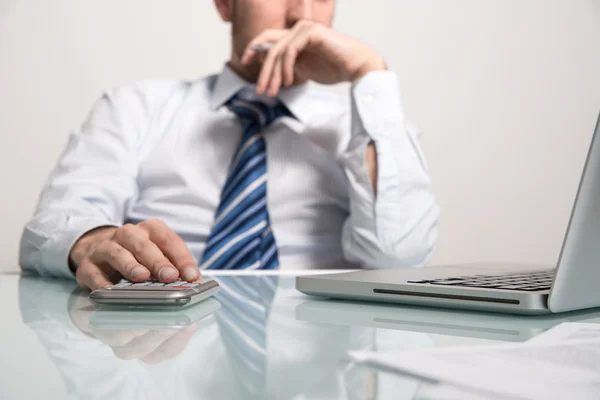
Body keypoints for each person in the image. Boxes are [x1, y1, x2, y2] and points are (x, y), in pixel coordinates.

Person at [19, 0, 439, 290]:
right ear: (225, 3)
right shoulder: (135, 107)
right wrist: (94, 241)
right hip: (157, 351)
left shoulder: (367, 124)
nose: (302, 16)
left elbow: (398, 259)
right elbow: (48, 230)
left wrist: (370, 75)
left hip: (320, 363)